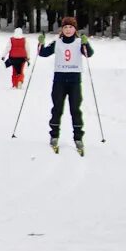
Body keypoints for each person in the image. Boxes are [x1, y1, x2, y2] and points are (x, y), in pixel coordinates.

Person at [37, 16, 93, 155]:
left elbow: (89, 54)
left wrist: (86, 44)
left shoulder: (80, 42)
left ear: (75, 29)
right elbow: (42, 53)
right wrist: (41, 44)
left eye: (71, 27)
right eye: (66, 27)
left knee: (75, 109)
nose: (68, 30)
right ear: (62, 29)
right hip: (59, 80)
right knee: (57, 108)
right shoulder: (57, 42)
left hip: (74, 81)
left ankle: (78, 137)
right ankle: (54, 135)